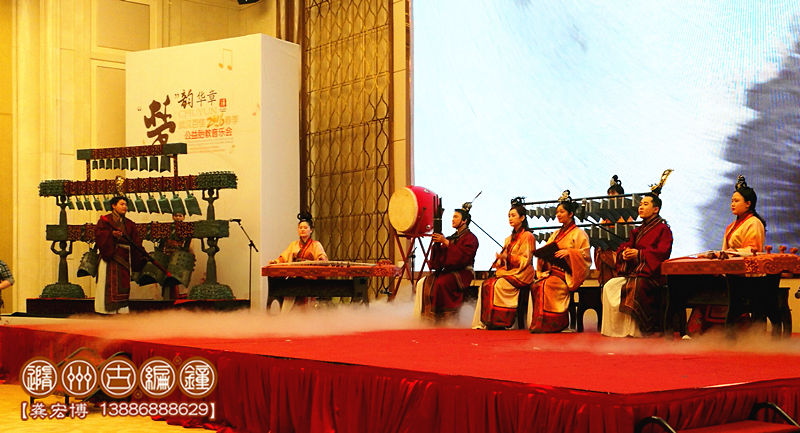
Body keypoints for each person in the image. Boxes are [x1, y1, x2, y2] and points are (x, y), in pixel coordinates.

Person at [686, 175, 766, 335]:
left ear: (748, 203)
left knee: (716, 286)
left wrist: (727, 254)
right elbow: (725, 251)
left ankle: (723, 329)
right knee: (705, 284)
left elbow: (753, 251)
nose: (732, 204)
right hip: (731, 270)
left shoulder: (754, 223)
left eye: (736, 201)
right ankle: (705, 330)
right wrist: (716, 256)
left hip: (746, 274)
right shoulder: (731, 226)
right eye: (731, 201)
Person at [601, 192, 673, 337]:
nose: (640, 207)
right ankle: (617, 330)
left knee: (636, 286)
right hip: (636, 273)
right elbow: (627, 245)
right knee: (610, 286)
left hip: (652, 275)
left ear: (656, 209)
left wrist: (639, 254)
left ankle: (637, 330)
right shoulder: (637, 231)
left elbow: (662, 252)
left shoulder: (663, 229)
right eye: (640, 204)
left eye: (645, 204)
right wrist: (625, 253)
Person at [529, 192, 591, 333]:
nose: (558, 215)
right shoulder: (556, 234)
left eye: (562, 212)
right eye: (557, 212)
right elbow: (547, 250)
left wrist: (570, 253)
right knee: (537, 285)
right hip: (553, 272)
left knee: (544, 285)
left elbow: (586, 256)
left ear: (571, 214)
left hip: (567, 275)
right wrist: (542, 259)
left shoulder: (579, 233)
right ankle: (541, 322)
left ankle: (557, 322)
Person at [472, 200, 536, 329]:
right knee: (487, 284)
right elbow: (505, 258)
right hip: (511, 272)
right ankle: (488, 321)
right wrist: (500, 260)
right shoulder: (509, 239)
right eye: (509, 216)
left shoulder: (528, 236)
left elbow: (526, 260)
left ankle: (501, 321)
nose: (510, 218)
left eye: (513, 215)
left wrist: (508, 257)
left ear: (522, 218)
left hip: (523, 273)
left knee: (497, 285)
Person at [414, 202, 479, 322]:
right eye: (453, 217)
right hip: (450, 271)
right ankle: (427, 318)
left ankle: (445, 318)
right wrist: (437, 245)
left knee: (441, 283)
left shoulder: (471, 238)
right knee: (424, 282)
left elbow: (462, 258)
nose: (452, 219)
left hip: (463, 272)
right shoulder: (451, 238)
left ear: (464, 221)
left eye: (456, 217)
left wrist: (445, 242)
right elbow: (440, 261)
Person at [95, 196, 146, 314]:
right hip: (109, 257)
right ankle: (106, 311)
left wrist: (142, 256)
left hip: (124, 258)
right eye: (122, 204)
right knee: (106, 284)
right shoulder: (104, 220)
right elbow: (99, 235)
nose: (125, 207)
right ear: (113, 206)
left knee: (123, 284)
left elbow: (136, 242)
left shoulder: (129, 224)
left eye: (126, 205)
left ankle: (121, 310)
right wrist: (111, 235)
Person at [268, 212, 328, 311]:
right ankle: (286, 315)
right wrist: (275, 262)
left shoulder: (316, 245)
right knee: (288, 288)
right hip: (295, 277)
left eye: (305, 228)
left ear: (311, 230)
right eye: (300, 228)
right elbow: (284, 257)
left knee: (302, 290)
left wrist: (319, 259)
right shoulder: (294, 245)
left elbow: (322, 258)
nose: (302, 230)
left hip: (309, 278)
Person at [594, 175, 625, 287]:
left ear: (621, 197)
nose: (610, 197)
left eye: (613, 194)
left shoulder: (626, 214)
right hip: (605, 251)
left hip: (618, 252)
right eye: (609, 195)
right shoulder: (605, 216)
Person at [158, 211, 194, 299]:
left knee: (179, 278)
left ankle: (180, 298)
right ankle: (167, 299)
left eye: (180, 216)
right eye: (176, 216)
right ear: (173, 217)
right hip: (168, 257)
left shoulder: (187, 229)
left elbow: (188, 245)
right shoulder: (167, 228)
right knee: (166, 279)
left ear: (184, 217)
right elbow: (162, 244)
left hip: (181, 258)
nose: (178, 218)